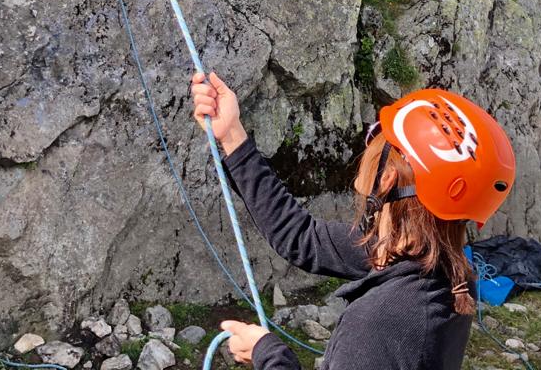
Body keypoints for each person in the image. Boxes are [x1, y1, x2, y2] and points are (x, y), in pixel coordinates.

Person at [190, 72, 516, 369]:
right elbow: (301, 237)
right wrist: (232, 134)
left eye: (377, 138)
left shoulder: (378, 324)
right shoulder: (441, 270)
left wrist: (268, 352)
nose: (368, 145)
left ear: (388, 178)